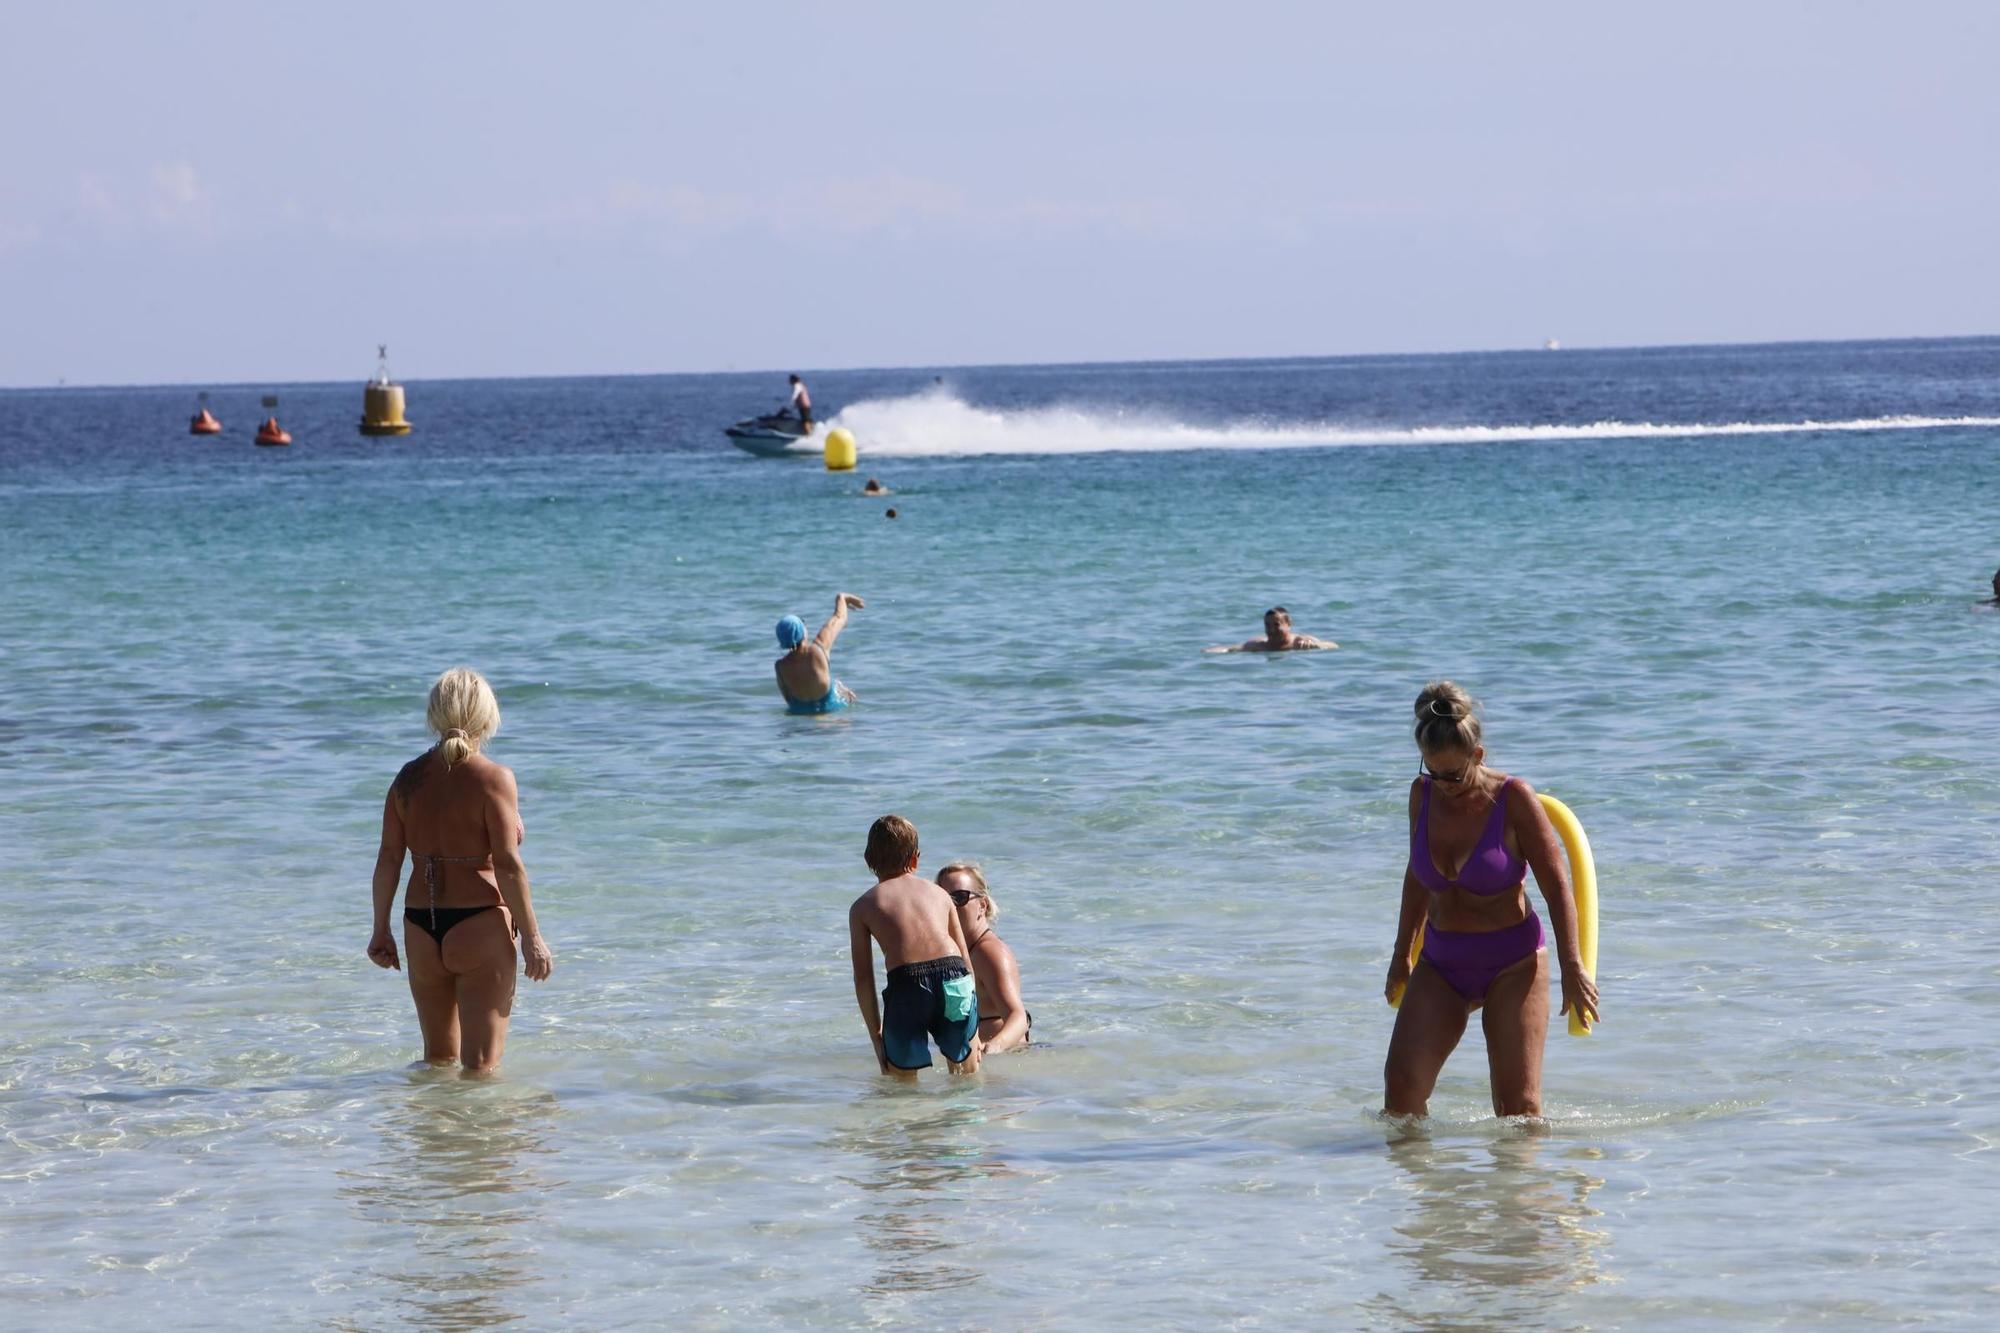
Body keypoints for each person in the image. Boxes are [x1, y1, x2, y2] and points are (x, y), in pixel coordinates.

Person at [1383, 682, 1598, 1119]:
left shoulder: (1513, 798)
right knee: (1400, 1092)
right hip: (1442, 962)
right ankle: (1424, 1186)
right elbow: (1416, 877)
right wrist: (1401, 953)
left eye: (1453, 775)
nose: (1442, 785)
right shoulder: (1421, 795)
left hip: (1512, 963)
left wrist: (1574, 966)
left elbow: (1558, 887)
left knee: (1517, 1109)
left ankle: (1519, 1187)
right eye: (1432, 772)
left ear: (1477, 757)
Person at [367, 667, 554, 1074]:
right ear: (486, 715)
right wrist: (533, 938)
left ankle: (435, 1136)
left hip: (420, 926)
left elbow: (388, 859)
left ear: (434, 714)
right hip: (479, 925)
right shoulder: (494, 779)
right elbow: (506, 865)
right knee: (481, 1068)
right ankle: (479, 1138)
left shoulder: (407, 779)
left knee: (437, 1062)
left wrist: (380, 929)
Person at [849, 816, 983, 1077]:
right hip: (954, 978)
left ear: (868, 859)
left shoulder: (862, 907)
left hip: (908, 986)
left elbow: (863, 978)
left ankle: (912, 1116)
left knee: (900, 1081)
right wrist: (973, 1027)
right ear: (915, 859)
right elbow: (965, 959)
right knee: (966, 1072)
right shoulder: (940, 894)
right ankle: (968, 1115)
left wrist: (878, 1038)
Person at [938, 862, 1031, 1052]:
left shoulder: (989, 953)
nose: (950, 906)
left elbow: (1018, 1017)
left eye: (959, 898)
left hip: (1007, 1063)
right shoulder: (962, 951)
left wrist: (992, 1048)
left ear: (982, 905)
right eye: (942, 899)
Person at [773, 592, 863, 713]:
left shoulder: (780, 667)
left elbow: (790, 700)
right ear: (802, 631)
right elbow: (839, 618)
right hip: (831, 721)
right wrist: (841, 598)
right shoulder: (819, 649)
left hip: (799, 728)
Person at [1204, 606, 1336, 653]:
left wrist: (1315, 645)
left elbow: (1334, 646)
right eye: (1268, 625)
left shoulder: (1300, 642)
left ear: (1289, 624)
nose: (1271, 630)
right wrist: (1207, 652)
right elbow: (1230, 649)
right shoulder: (1259, 645)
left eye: (1276, 625)